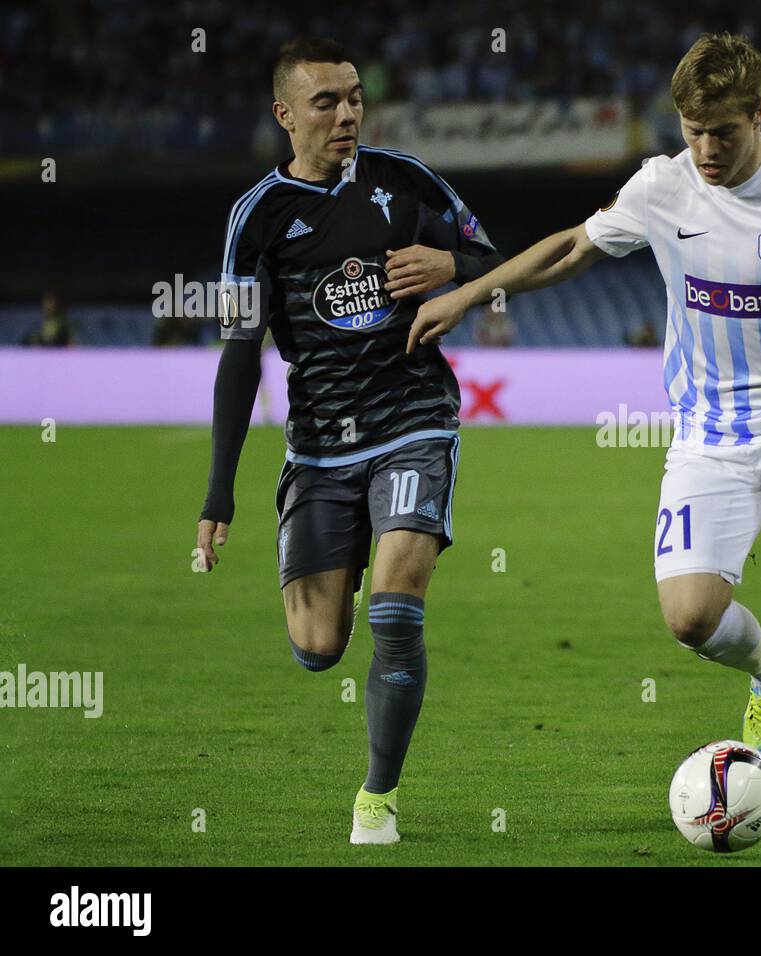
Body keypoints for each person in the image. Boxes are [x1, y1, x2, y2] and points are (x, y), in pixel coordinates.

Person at [408, 32, 761, 848]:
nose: (707, 149)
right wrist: (473, 290)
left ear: (759, 113)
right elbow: (575, 246)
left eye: (723, 130)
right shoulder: (662, 188)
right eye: (692, 131)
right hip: (706, 436)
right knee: (688, 620)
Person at [193, 36, 503, 845]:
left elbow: (488, 258)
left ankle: (378, 798)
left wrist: (452, 269)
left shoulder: (404, 179)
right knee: (320, 645)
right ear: (284, 114)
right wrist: (219, 492)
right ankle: (348, 550)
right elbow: (238, 353)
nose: (346, 114)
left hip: (414, 419)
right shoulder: (256, 217)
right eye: (326, 101)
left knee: (396, 616)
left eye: (355, 96)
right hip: (320, 448)